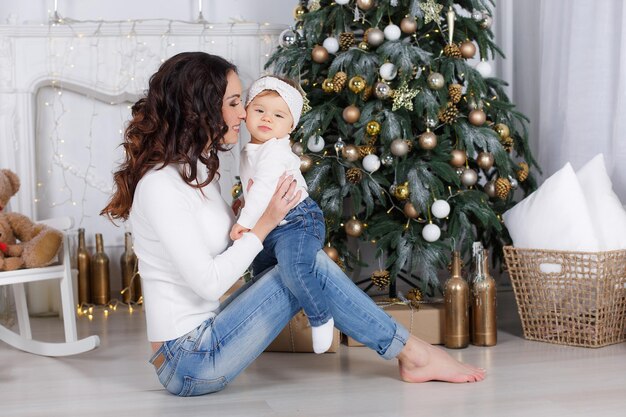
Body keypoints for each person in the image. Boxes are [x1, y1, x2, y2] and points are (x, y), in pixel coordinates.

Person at [101, 51, 485, 397]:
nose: (243, 113)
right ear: (199, 108)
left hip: (210, 328)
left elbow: (220, 249)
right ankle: (416, 354)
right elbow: (210, 283)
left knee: (301, 260)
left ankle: (413, 353)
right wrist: (264, 223)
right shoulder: (160, 186)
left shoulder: (198, 170)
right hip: (188, 361)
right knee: (303, 264)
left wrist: (245, 215)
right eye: (234, 103)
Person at [230, 75, 334, 354]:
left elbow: (264, 188)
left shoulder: (275, 150)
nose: (267, 119)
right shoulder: (250, 149)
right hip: (272, 226)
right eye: (259, 110)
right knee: (261, 276)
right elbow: (254, 187)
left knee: (294, 266)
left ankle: (321, 317)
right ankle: (261, 329)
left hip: (298, 220)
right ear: (247, 112)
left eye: (278, 115)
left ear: (291, 126)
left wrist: (244, 223)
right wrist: (243, 202)